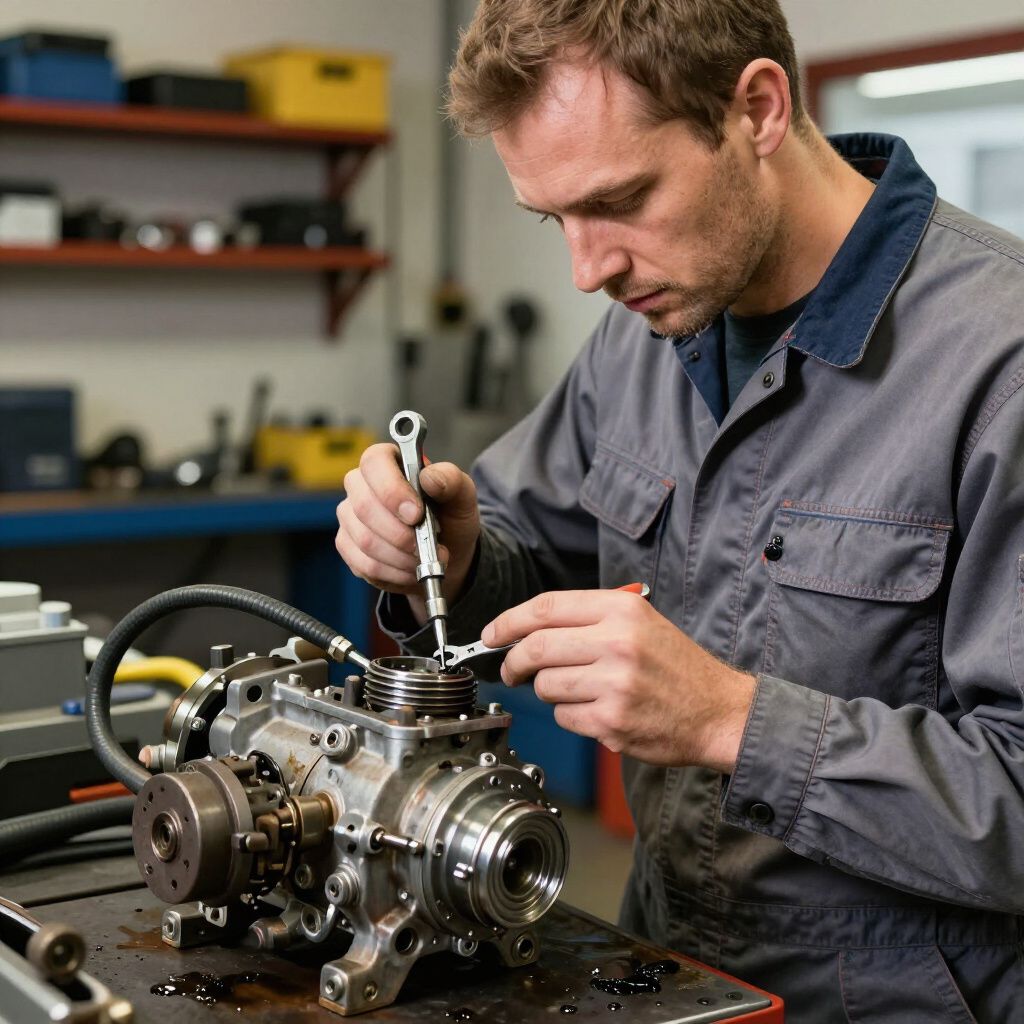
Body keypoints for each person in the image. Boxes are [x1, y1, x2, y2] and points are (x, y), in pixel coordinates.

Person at [335, 2, 1024, 1019]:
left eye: (620, 198)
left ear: (755, 108)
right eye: (554, 219)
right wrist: (452, 549)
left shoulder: (997, 365)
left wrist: (733, 722)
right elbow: (532, 549)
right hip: (668, 963)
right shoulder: (642, 336)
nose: (588, 270)